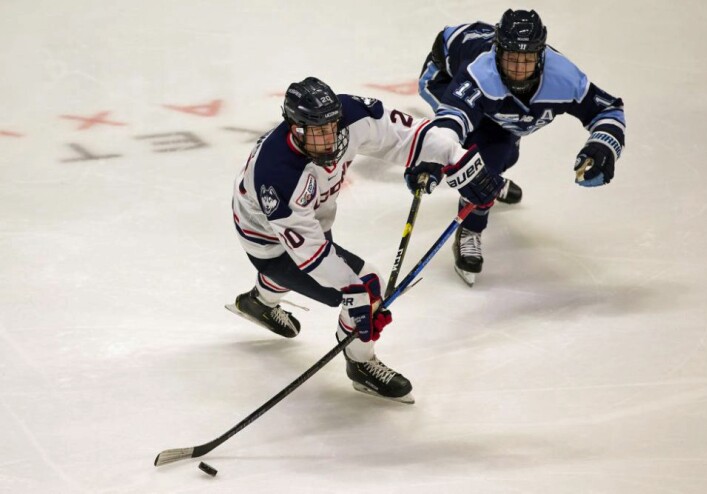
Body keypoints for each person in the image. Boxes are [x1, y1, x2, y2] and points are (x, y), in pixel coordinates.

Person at [229, 77, 497, 403]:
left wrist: (458, 158)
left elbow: (407, 136)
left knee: (336, 271)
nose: (329, 140)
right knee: (366, 283)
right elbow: (311, 255)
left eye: (332, 128)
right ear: (296, 129)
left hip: (310, 217)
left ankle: (259, 301)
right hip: (269, 242)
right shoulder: (279, 175)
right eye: (318, 132)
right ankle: (360, 363)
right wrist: (356, 295)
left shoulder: (350, 115)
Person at [406, 9, 626, 286]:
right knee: (485, 154)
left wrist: (602, 145)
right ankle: (470, 228)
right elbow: (452, 121)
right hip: (444, 76)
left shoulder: (564, 77)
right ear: (498, 53)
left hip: (494, 90)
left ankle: (492, 177)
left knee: (507, 152)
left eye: (528, 59)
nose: (519, 69)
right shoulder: (479, 75)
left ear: (541, 55)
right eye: (512, 58)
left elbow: (608, 110)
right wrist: (434, 155)